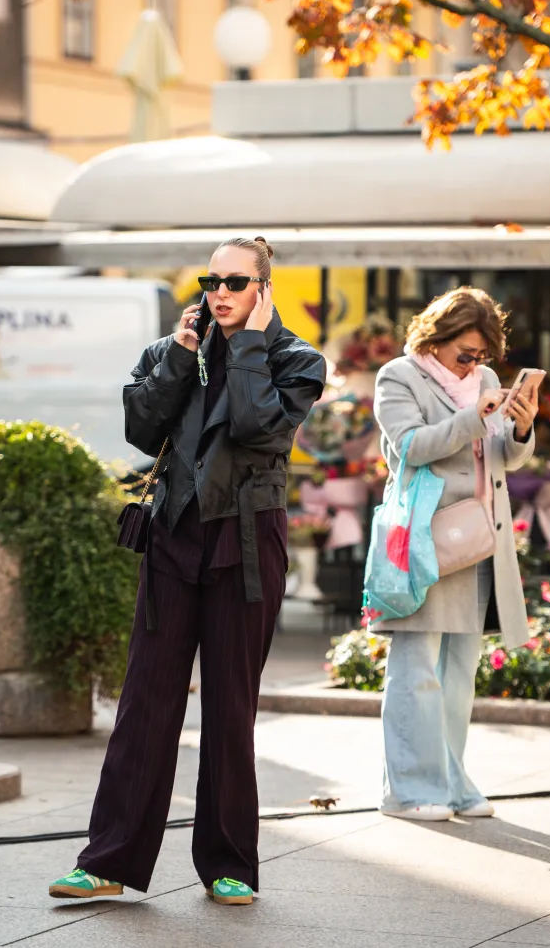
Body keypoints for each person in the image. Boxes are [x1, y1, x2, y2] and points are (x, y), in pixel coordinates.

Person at [49, 237, 326, 905]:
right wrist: (178, 356)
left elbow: (261, 427)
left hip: (247, 547)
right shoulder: (173, 352)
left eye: (237, 281)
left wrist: (251, 347)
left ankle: (230, 863)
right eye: (212, 280)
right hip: (174, 538)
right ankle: (109, 859)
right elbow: (142, 429)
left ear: (264, 289)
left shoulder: (297, 360)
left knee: (231, 707)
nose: (221, 292)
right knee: (146, 700)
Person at [372, 287, 537, 822]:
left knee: (460, 669)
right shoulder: (399, 376)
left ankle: (451, 779)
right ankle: (409, 790)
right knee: (416, 667)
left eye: (483, 356)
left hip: (480, 537)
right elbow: (411, 447)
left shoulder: (485, 382)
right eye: (465, 353)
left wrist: (521, 426)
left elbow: (500, 456)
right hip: (425, 537)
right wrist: (473, 417)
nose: (474, 364)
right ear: (436, 337)